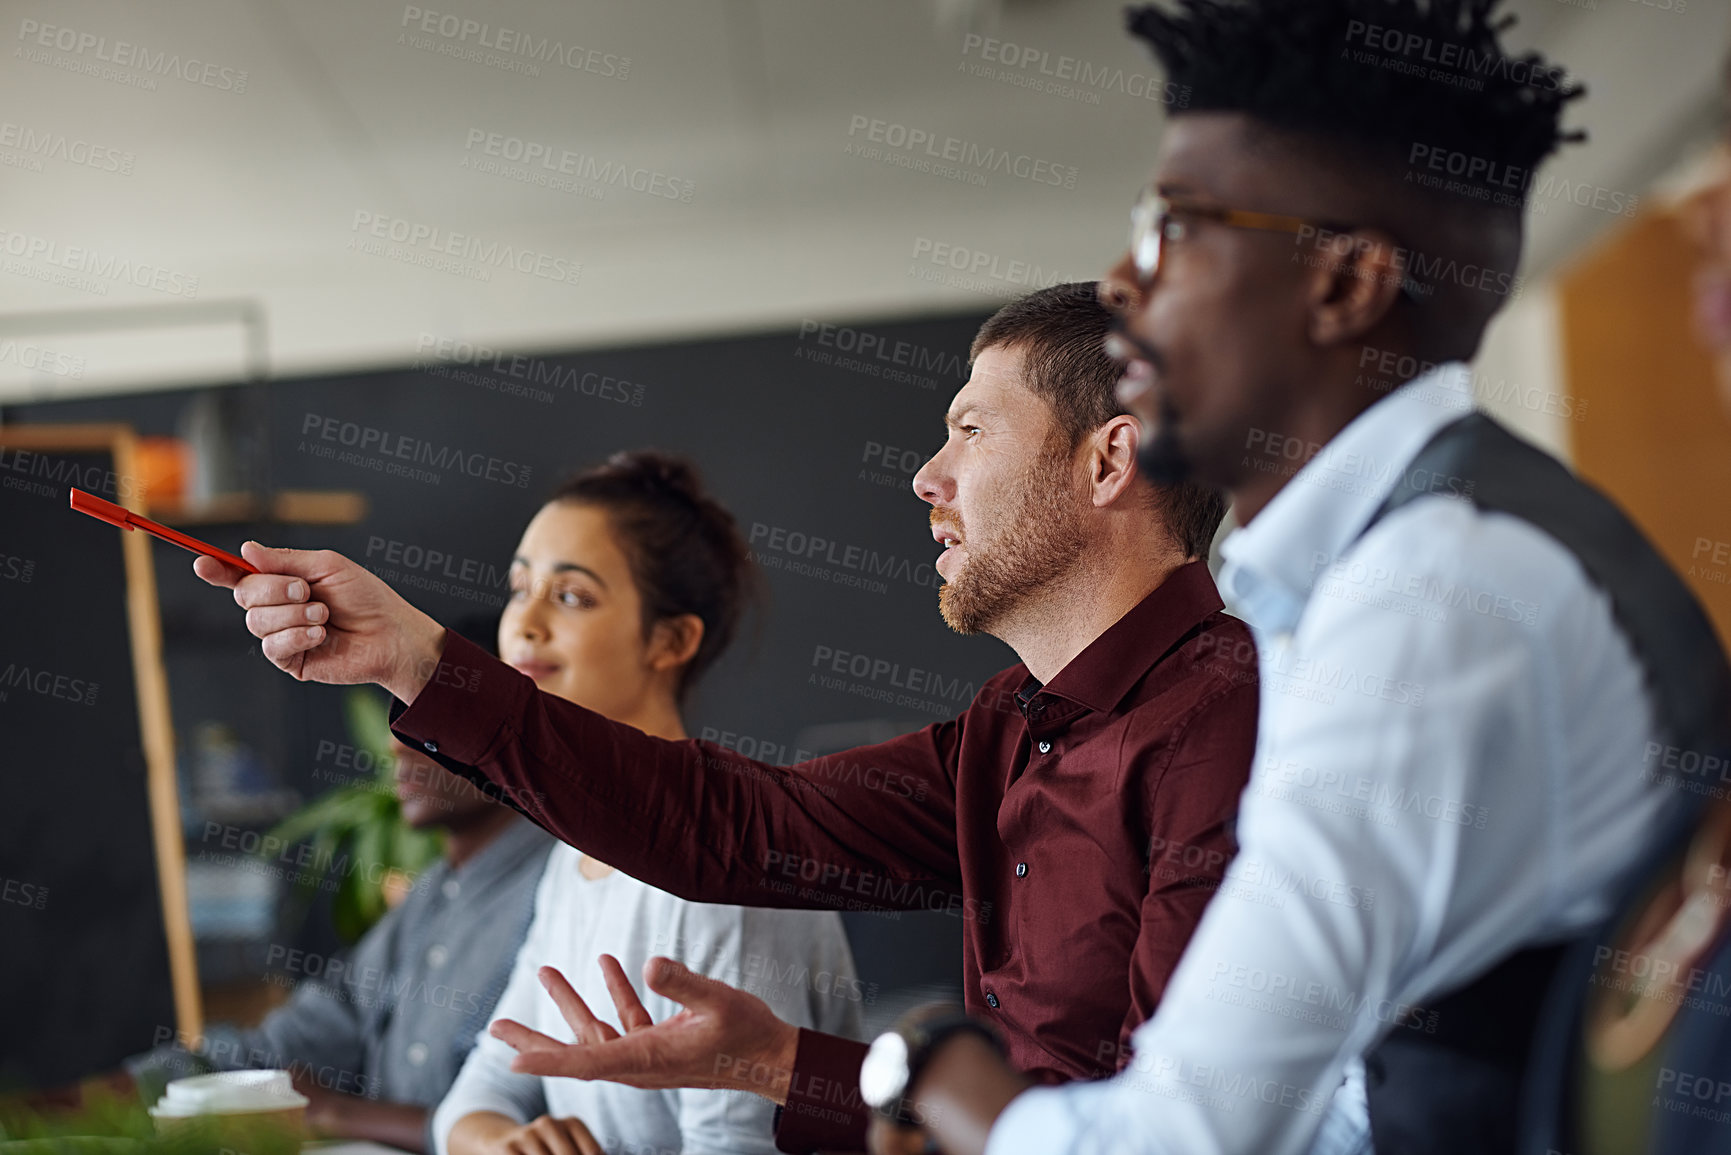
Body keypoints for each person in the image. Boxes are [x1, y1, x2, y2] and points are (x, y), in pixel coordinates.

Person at [867, 2, 1731, 1154]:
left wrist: (930, 1062)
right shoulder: (1394, 559)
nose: (1125, 279)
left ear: (1345, 287)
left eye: (1176, 227)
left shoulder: (1430, 594)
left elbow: (1187, 1141)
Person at [192, 282, 1259, 1154]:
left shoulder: (1225, 721)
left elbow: (1167, 1131)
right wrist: (415, 659)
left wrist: (872, 1064)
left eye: (970, 431)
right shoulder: (1006, 727)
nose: (927, 477)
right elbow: (744, 827)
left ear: (1109, 461)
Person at [430, 450, 860, 1155]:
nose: (523, 625)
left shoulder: (728, 865)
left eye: (570, 596)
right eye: (518, 587)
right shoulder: (573, 856)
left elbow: (737, 1148)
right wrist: (505, 1145)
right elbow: (480, 1090)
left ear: (671, 639)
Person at [123, 720, 556, 1154]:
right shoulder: (431, 897)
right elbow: (284, 1049)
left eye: (427, 718)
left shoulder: (564, 884)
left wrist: (340, 1114)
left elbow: (541, 1124)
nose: (396, 746)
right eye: (395, 722)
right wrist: (100, 1098)